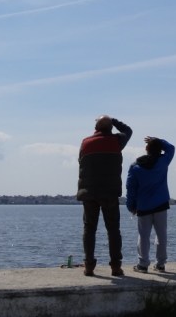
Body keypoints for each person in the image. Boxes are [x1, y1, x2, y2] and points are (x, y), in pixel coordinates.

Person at [76, 114, 133, 277]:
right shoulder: (116, 141)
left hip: (89, 193)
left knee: (89, 229)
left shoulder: (85, 142)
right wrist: (113, 121)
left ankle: (89, 266)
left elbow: (80, 161)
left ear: (96, 128)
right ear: (111, 128)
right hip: (109, 193)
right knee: (113, 230)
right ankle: (115, 267)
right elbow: (128, 130)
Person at [126, 136, 175, 273]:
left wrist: (131, 206)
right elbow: (171, 148)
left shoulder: (135, 167)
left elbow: (131, 188)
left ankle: (143, 264)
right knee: (161, 235)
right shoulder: (163, 162)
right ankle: (160, 264)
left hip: (143, 206)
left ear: (146, 149)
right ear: (160, 150)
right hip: (161, 204)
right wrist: (159, 140)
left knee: (143, 236)